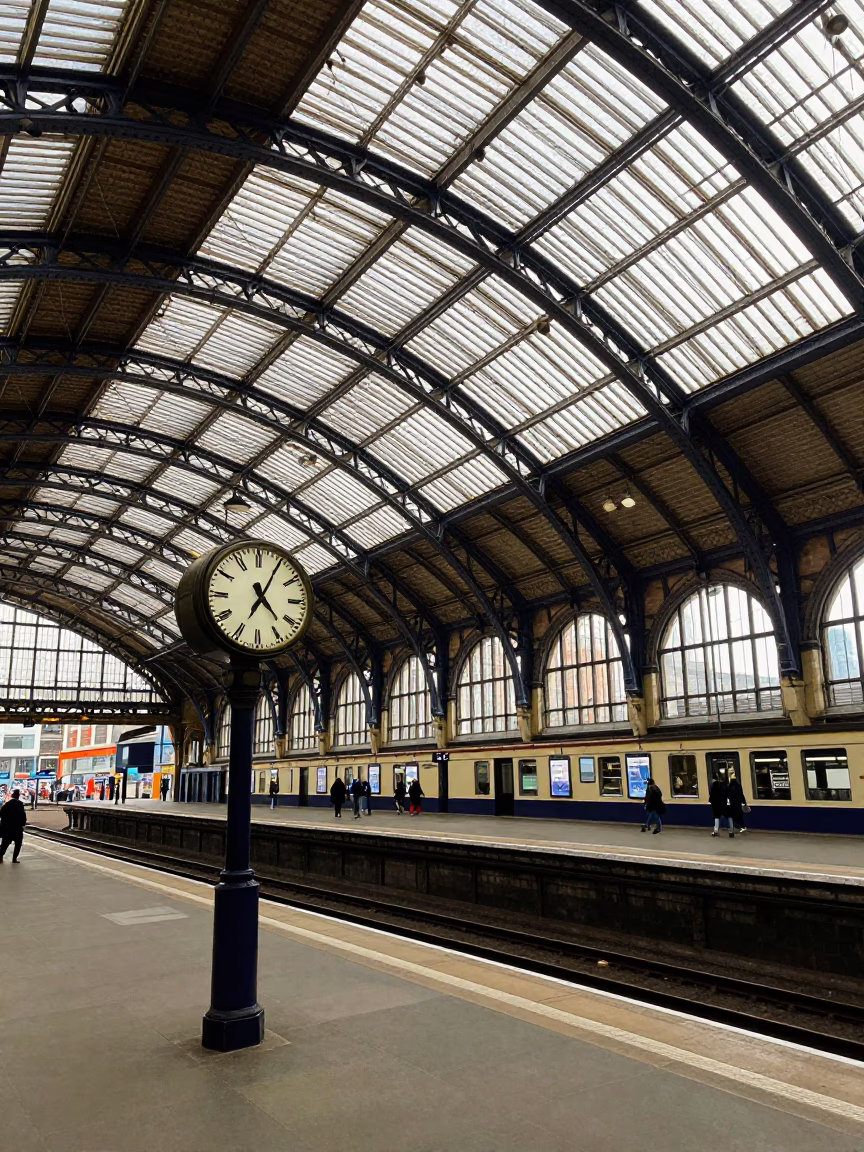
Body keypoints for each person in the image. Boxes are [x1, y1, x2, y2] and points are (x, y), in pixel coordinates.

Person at [0, 788, 27, 863]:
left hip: (7, 827)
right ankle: (14, 859)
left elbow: (1, 813)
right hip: (17, 828)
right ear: (18, 796)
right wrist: (23, 824)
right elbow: (23, 815)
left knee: (5, 843)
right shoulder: (20, 804)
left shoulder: (7, 804)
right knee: (18, 844)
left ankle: (0, 856)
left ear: (12, 795)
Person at [709, 771, 733, 837]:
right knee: (729, 817)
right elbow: (729, 795)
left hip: (716, 805)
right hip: (724, 804)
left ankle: (716, 831)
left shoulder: (713, 787)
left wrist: (712, 802)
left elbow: (711, 798)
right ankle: (731, 831)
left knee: (716, 817)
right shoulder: (725, 787)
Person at [727, 773, 747, 837]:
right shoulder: (738, 786)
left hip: (732, 804)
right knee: (740, 815)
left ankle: (735, 828)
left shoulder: (729, 787)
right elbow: (741, 794)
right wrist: (744, 802)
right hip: (738, 803)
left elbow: (728, 795)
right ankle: (742, 826)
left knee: (734, 816)